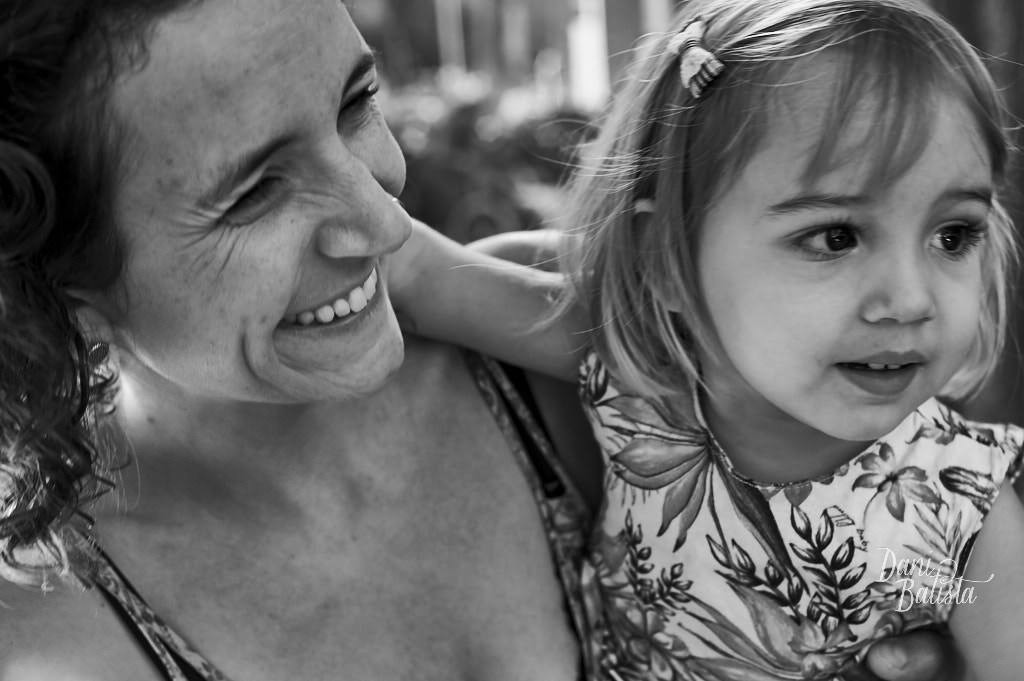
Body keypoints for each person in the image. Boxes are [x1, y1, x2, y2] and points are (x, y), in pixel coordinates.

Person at [0, 0, 972, 679]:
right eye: (253, 193)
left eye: (354, 104)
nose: (382, 223)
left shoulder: (538, 346)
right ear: (50, 280)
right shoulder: (52, 632)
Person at [389, 0, 1024, 679]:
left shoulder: (959, 516)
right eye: (836, 236)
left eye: (953, 235)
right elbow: (419, 275)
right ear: (668, 260)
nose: (911, 299)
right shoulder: (643, 375)